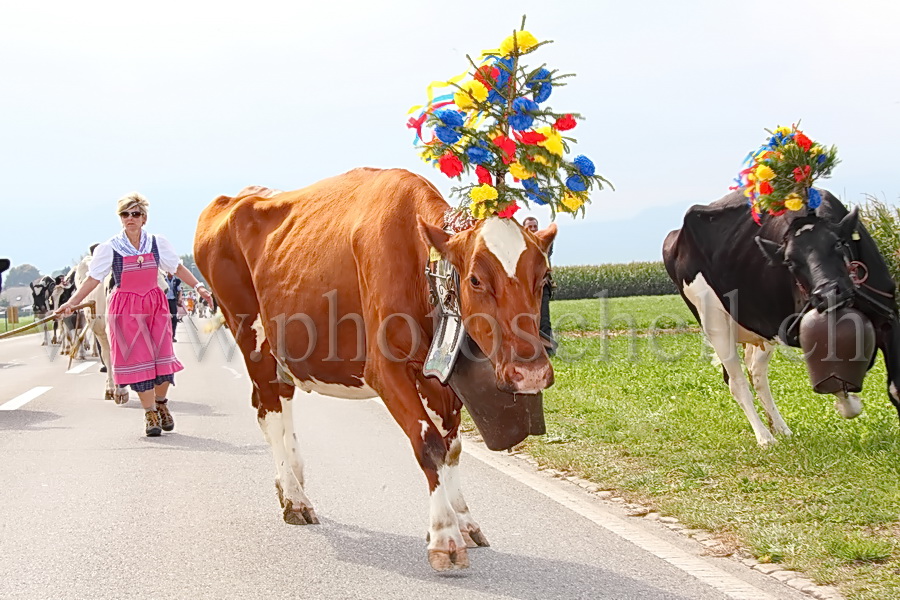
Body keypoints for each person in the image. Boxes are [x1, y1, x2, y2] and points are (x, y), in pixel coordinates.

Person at [57, 192, 213, 437]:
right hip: (125, 307)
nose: (130, 218)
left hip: (154, 304)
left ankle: (161, 403)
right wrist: (72, 302)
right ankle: (150, 412)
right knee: (139, 359)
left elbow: (177, 268)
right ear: (120, 218)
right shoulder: (110, 248)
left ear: (144, 218)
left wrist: (199, 286)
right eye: (125, 214)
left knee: (163, 357)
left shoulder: (157, 243)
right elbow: (93, 279)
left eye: (135, 214)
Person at [522, 216, 557, 356]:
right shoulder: (520, 244)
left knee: (544, 320)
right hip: (525, 289)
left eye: (534, 226)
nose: (532, 229)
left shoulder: (545, 243)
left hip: (542, 286)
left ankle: (548, 350)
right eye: (529, 227)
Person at [164, 272, 182, 341]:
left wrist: (180, 298)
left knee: (174, 318)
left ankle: (172, 336)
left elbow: (179, 290)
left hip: (173, 300)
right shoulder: (163, 279)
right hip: (164, 301)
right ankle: (165, 336)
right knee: (165, 318)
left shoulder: (176, 281)